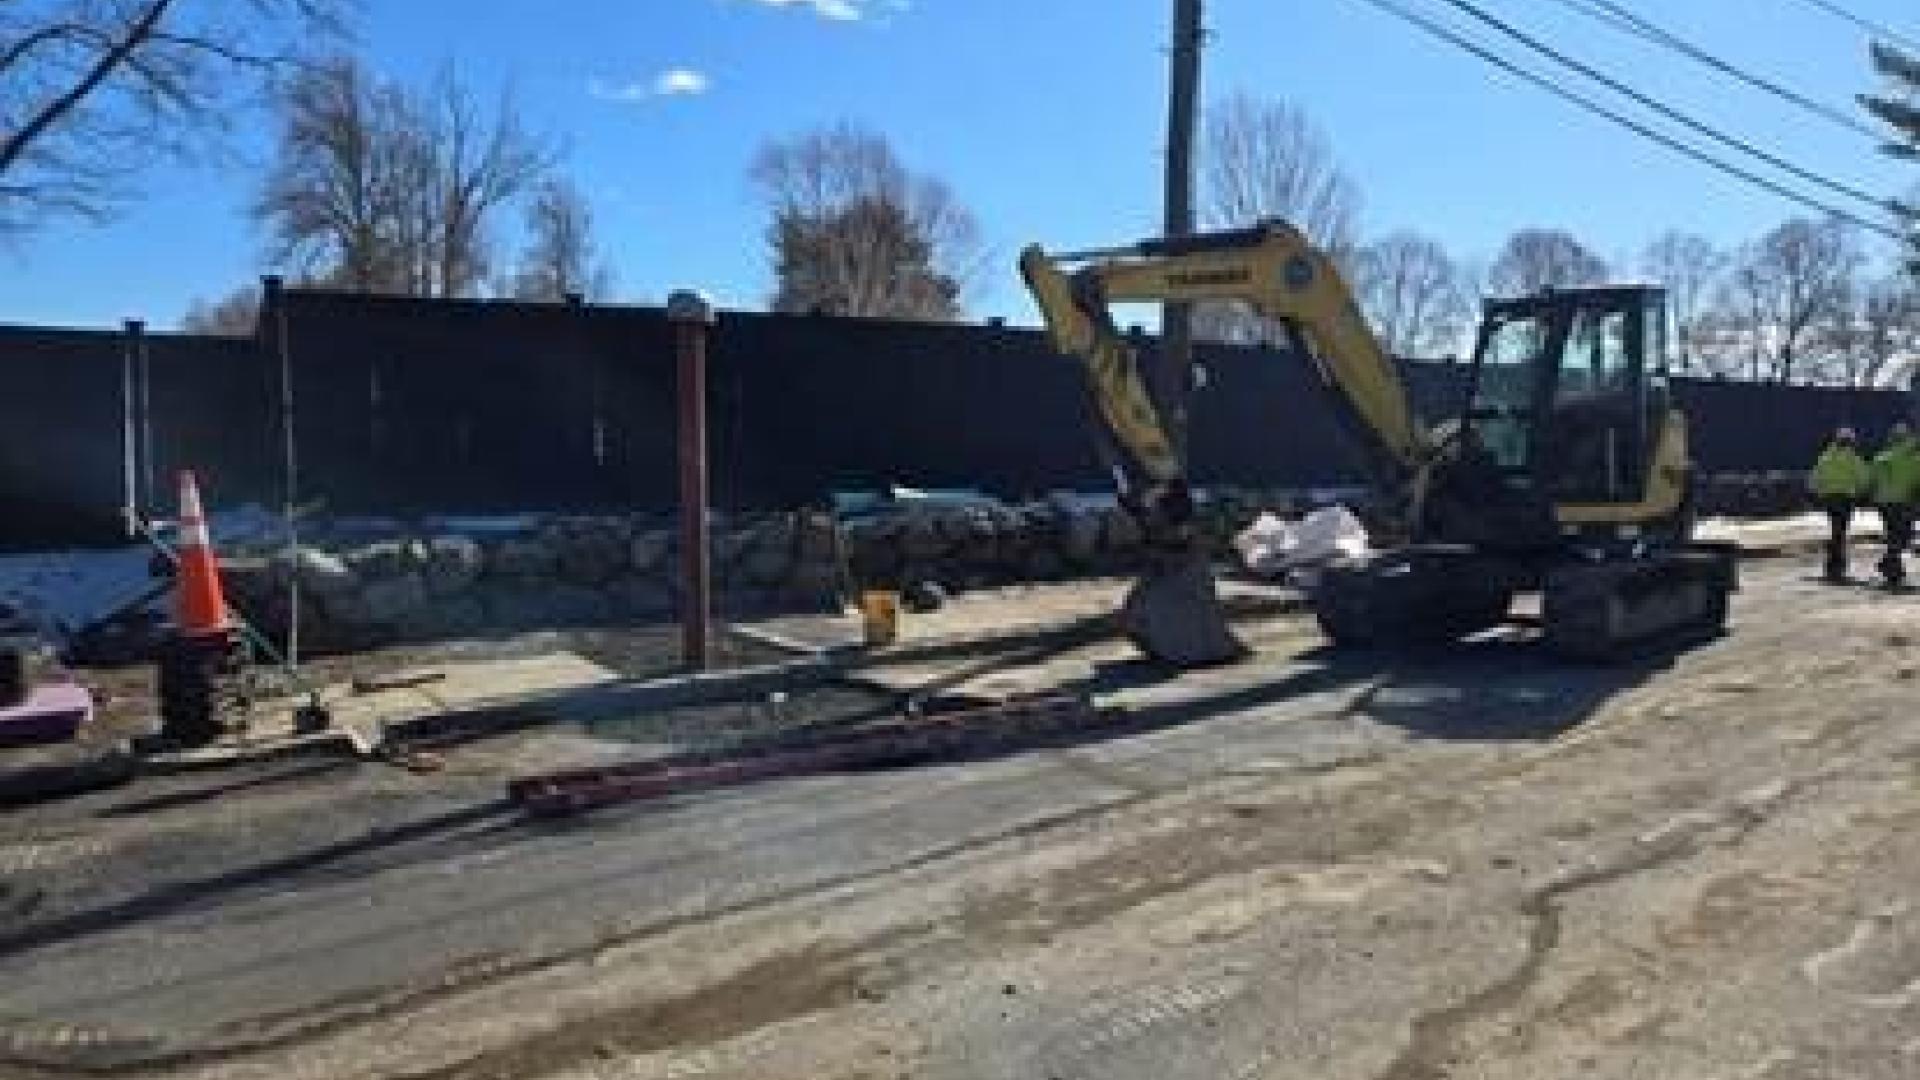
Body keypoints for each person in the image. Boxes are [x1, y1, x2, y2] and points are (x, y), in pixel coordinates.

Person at [1808, 426, 1870, 582]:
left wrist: (1817, 493)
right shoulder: (1853, 459)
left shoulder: (1825, 457)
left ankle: (1832, 564)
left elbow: (1814, 479)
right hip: (1846, 499)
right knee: (1840, 531)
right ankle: (1837, 564)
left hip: (1829, 499)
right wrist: (1861, 493)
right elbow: (1863, 479)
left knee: (1835, 530)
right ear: (1851, 442)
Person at [1870, 422, 1920, 588]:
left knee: (1893, 534)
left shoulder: (1881, 458)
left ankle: (1892, 569)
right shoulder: (1914, 458)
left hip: (1883, 503)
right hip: (1903, 501)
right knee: (1903, 536)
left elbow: (1872, 480)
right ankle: (1889, 565)